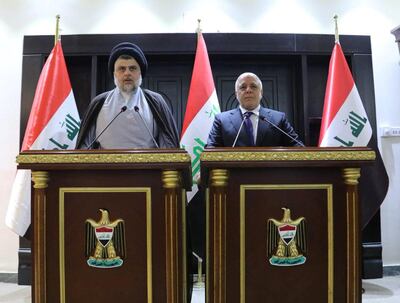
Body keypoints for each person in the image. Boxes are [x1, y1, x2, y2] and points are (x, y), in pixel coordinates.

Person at [76, 42, 179, 149]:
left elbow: (168, 146)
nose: (127, 73)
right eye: (121, 69)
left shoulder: (155, 101)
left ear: (140, 73)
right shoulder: (99, 102)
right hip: (106, 165)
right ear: (114, 73)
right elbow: (85, 147)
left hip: (147, 165)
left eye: (132, 68)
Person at [207, 72, 304, 147]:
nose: (248, 90)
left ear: (261, 92)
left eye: (253, 86)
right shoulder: (221, 120)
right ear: (236, 94)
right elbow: (211, 150)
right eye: (243, 87)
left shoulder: (278, 119)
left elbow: (298, 147)